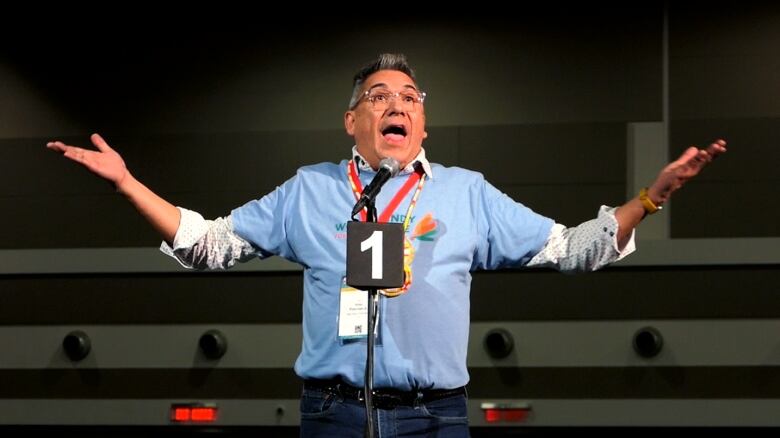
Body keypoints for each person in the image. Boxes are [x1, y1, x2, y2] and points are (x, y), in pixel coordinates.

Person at [47, 53, 726, 437]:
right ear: (353, 122)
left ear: (422, 123)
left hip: (436, 417)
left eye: (408, 96)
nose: (394, 103)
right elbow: (207, 244)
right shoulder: (308, 191)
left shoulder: (468, 193)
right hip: (332, 413)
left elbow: (574, 248)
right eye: (376, 96)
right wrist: (130, 185)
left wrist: (652, 197)